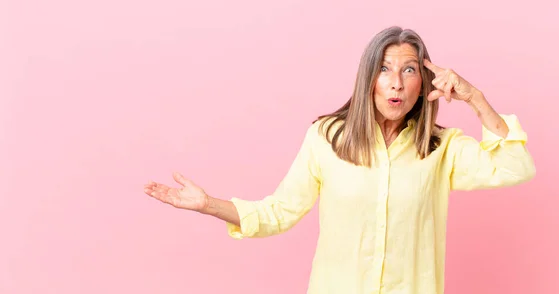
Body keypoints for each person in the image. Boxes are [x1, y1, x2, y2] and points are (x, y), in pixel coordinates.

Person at [143, 26, 536, 294]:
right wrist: (207, 205)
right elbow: (279, 212)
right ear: (368, 78)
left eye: (409, 70)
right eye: (384, 69)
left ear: (425, 83)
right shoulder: (326, 138)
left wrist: (475, 98)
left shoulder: (440, 147)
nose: (396, 82)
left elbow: (515, 165)